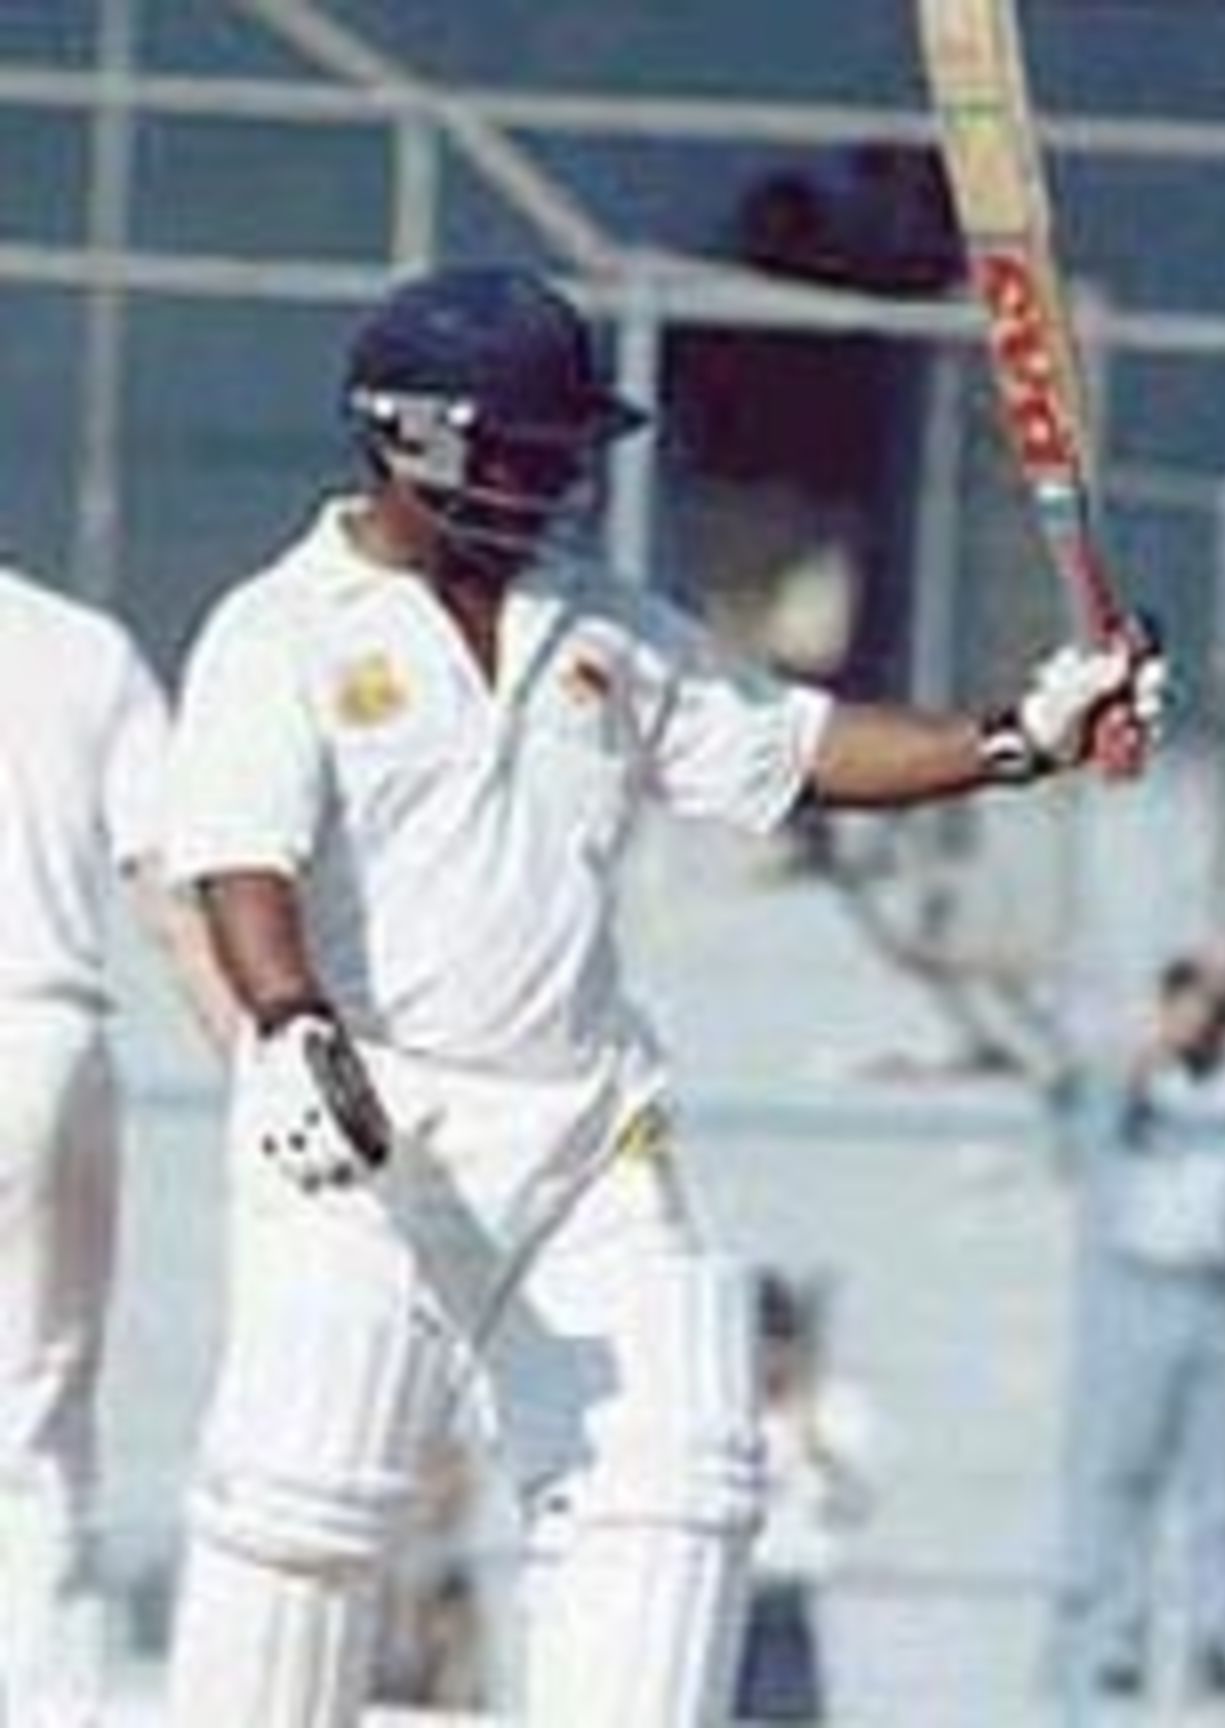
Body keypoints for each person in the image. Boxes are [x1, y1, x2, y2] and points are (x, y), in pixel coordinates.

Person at [160, 263, 1165, 1727]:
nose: (554, 484)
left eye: (563, 454)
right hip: (363, 1119)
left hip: (579, 1125)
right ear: (410, 436)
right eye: (524, 454)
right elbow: (237, 860)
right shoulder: (281, 629)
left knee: (675, 1483)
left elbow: (795, 747)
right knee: (307, 1500)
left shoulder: (602, 625)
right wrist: (291, 1022)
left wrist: (1018, 737)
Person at [0, 567, 236, 1728]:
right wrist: (262, 1072)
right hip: (45, 1041)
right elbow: (174, 896)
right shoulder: (80, 645)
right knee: (32, 1428)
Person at [1056, 951, 1225, 1704]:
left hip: (1222, 1298)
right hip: (1143, 1294)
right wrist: (1156, 1042)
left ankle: (1214, 1637)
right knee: (1128, 1475)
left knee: (1222, 1483)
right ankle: (1119, 1634)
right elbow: (1091, 1115)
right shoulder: (1141, 1086)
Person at [733, 1270, 879, 1723]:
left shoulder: (832, 1410)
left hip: (784, 1596)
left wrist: (814, 1442)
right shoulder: (726, 1410)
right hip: (730, 1592)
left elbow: (853, 1505)